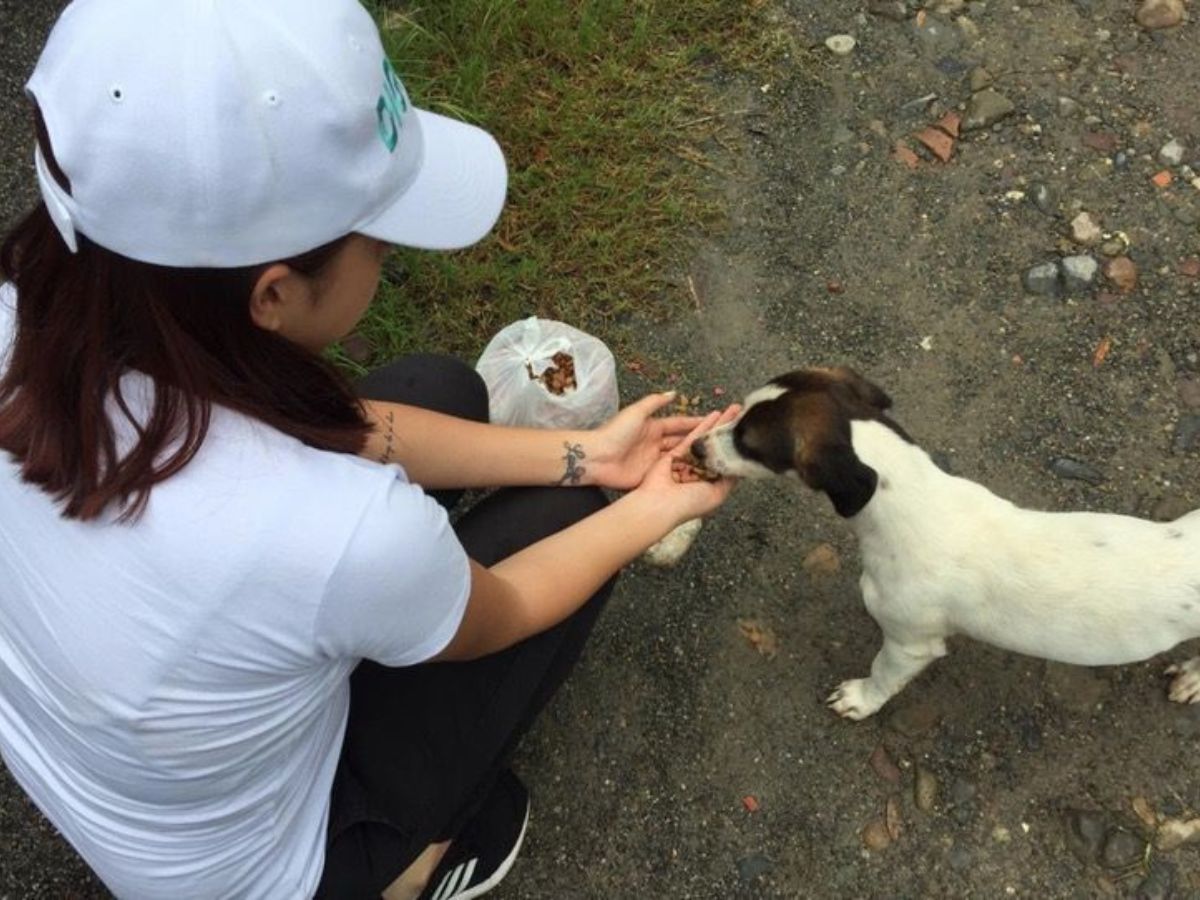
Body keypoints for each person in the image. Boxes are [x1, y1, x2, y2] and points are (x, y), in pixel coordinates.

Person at [0, 1, 739, 899]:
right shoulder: (328, 529)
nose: (389, 258)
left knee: (438, 387)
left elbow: (323, 427)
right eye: (380, 240)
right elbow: (503, 612)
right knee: (571, 523)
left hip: (98, 770)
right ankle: (406, 865)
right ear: (272, 294)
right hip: (255, 870)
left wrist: (587, 450)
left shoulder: (50, 307)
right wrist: (649, 498)